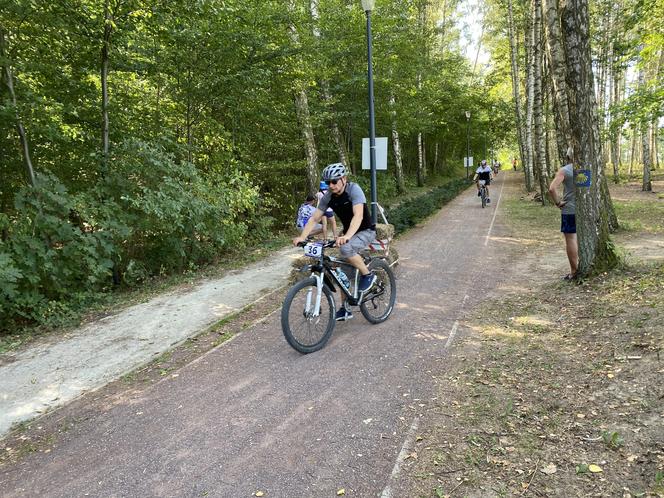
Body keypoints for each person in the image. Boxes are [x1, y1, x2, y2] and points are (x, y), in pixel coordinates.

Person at [293, 163, 377, 321]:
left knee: (345, 249)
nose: (331, 185)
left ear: (343, 179)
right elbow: (314, 218)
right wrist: (302, 237)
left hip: (365, 231)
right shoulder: (328, 197)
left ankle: (368, 275)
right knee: (342, 272)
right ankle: (345, 308)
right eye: (328, 182)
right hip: (348, 233)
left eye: (334, 181)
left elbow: (358, 216)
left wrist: (347, 236)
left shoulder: (354, 190)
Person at [548, 147, 578, 280]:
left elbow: (552, 188)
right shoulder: (586, 169)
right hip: (585, 212)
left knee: (571, 239)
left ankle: (574, 271)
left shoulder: (565, 170)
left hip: (569, 210)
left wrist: (558, 203)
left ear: (568, 156)